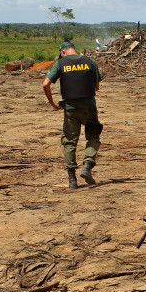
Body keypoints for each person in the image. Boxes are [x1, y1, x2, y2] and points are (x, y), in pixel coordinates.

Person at [42, 41, 103, 189]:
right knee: (93, 137)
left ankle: (72, 180)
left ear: (63, 52)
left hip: (70, 108)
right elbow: (97, 86)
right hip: (89, 107)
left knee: (70, 142)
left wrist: (51, 102)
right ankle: (87, 165)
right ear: (73, 50)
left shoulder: (61, 63)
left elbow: (45, 84)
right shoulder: (90, 61)